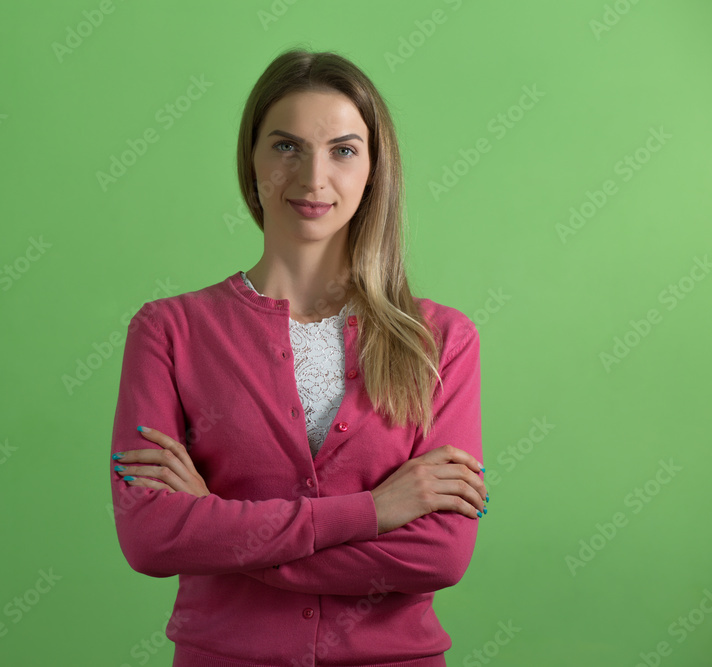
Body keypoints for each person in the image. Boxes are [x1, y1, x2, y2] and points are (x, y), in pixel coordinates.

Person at [109, 47, 487, 667]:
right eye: (286, 146)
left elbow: (438, 556)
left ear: (374, 169)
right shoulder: (167, 331)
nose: (313, 178)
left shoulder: (441, 340)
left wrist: (217, 527)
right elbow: (150, 539)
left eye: (343, 150)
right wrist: (376, 511)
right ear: (251, 159)